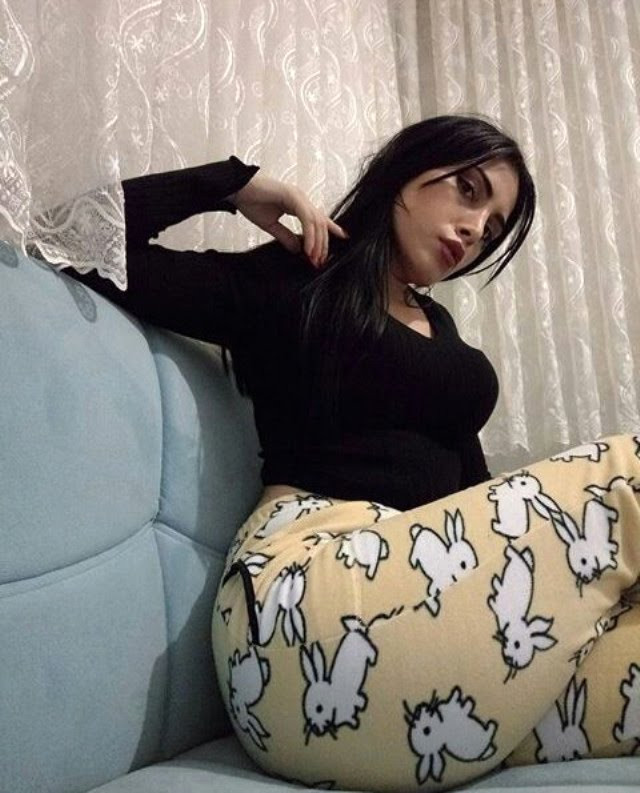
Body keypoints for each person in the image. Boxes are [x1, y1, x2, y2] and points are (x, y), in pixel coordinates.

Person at [62, 115, 640, 792]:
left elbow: (472, 493)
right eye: (469, 191)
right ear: (407, 169)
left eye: (491, 228)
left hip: (427, 645)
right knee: (627, 472)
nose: (473, 230)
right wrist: (236, 184)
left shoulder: (440, 327)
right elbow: (73, 239)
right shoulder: (298, 279)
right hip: (302, 616)